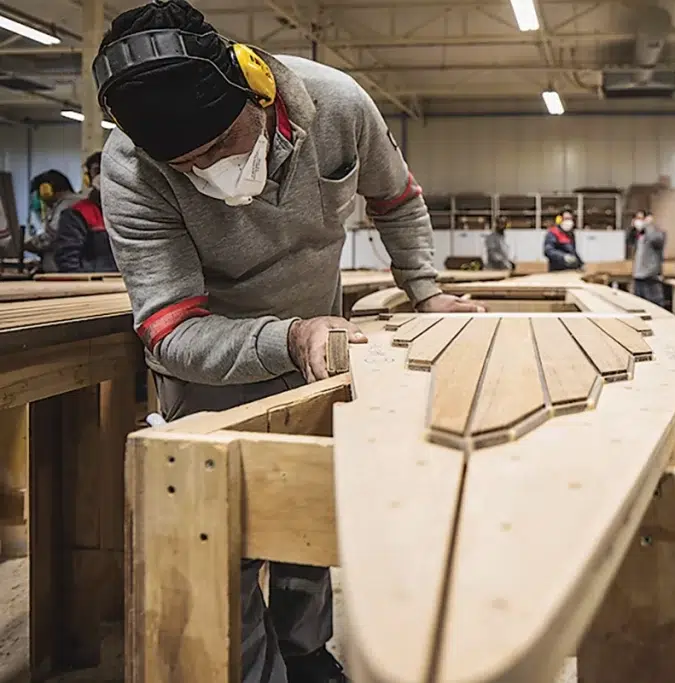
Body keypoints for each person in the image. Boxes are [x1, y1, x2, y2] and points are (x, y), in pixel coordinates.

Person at [91, 1, 482, 681]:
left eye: (217, 148)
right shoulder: (131, 164)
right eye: (187, 164)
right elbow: (169, 329)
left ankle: (306, 656)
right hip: (213, 362)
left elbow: (397, 197)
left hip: (316, 346)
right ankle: (252, 670)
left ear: (253, 87)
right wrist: (287, 336)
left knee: (306, 513)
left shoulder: (336, 104)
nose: (207, 169)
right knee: (222, 535)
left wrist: (427, 289)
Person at [55, 152, 118, 273]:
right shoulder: (76, 214)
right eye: (98, 170)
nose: (104, 175)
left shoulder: (133, 213)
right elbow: (68, 263)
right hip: (93, 286)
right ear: (88, 178)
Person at [25, 170, 83, 272]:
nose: (39, 198)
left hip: (64, 271)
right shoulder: (65, 204)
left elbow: (51, 238)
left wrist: (25, 244)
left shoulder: (66, 206)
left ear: (47, 190)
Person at [631, 209, 666, 307]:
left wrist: (648, 226)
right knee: (638, 307)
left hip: (650, 278)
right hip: (638, 277)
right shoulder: (639, 235)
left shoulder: (656, 233)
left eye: (641, 219)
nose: (639, 221)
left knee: (655, 308)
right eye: (637, 219)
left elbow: (657, 240)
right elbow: (628, 240)